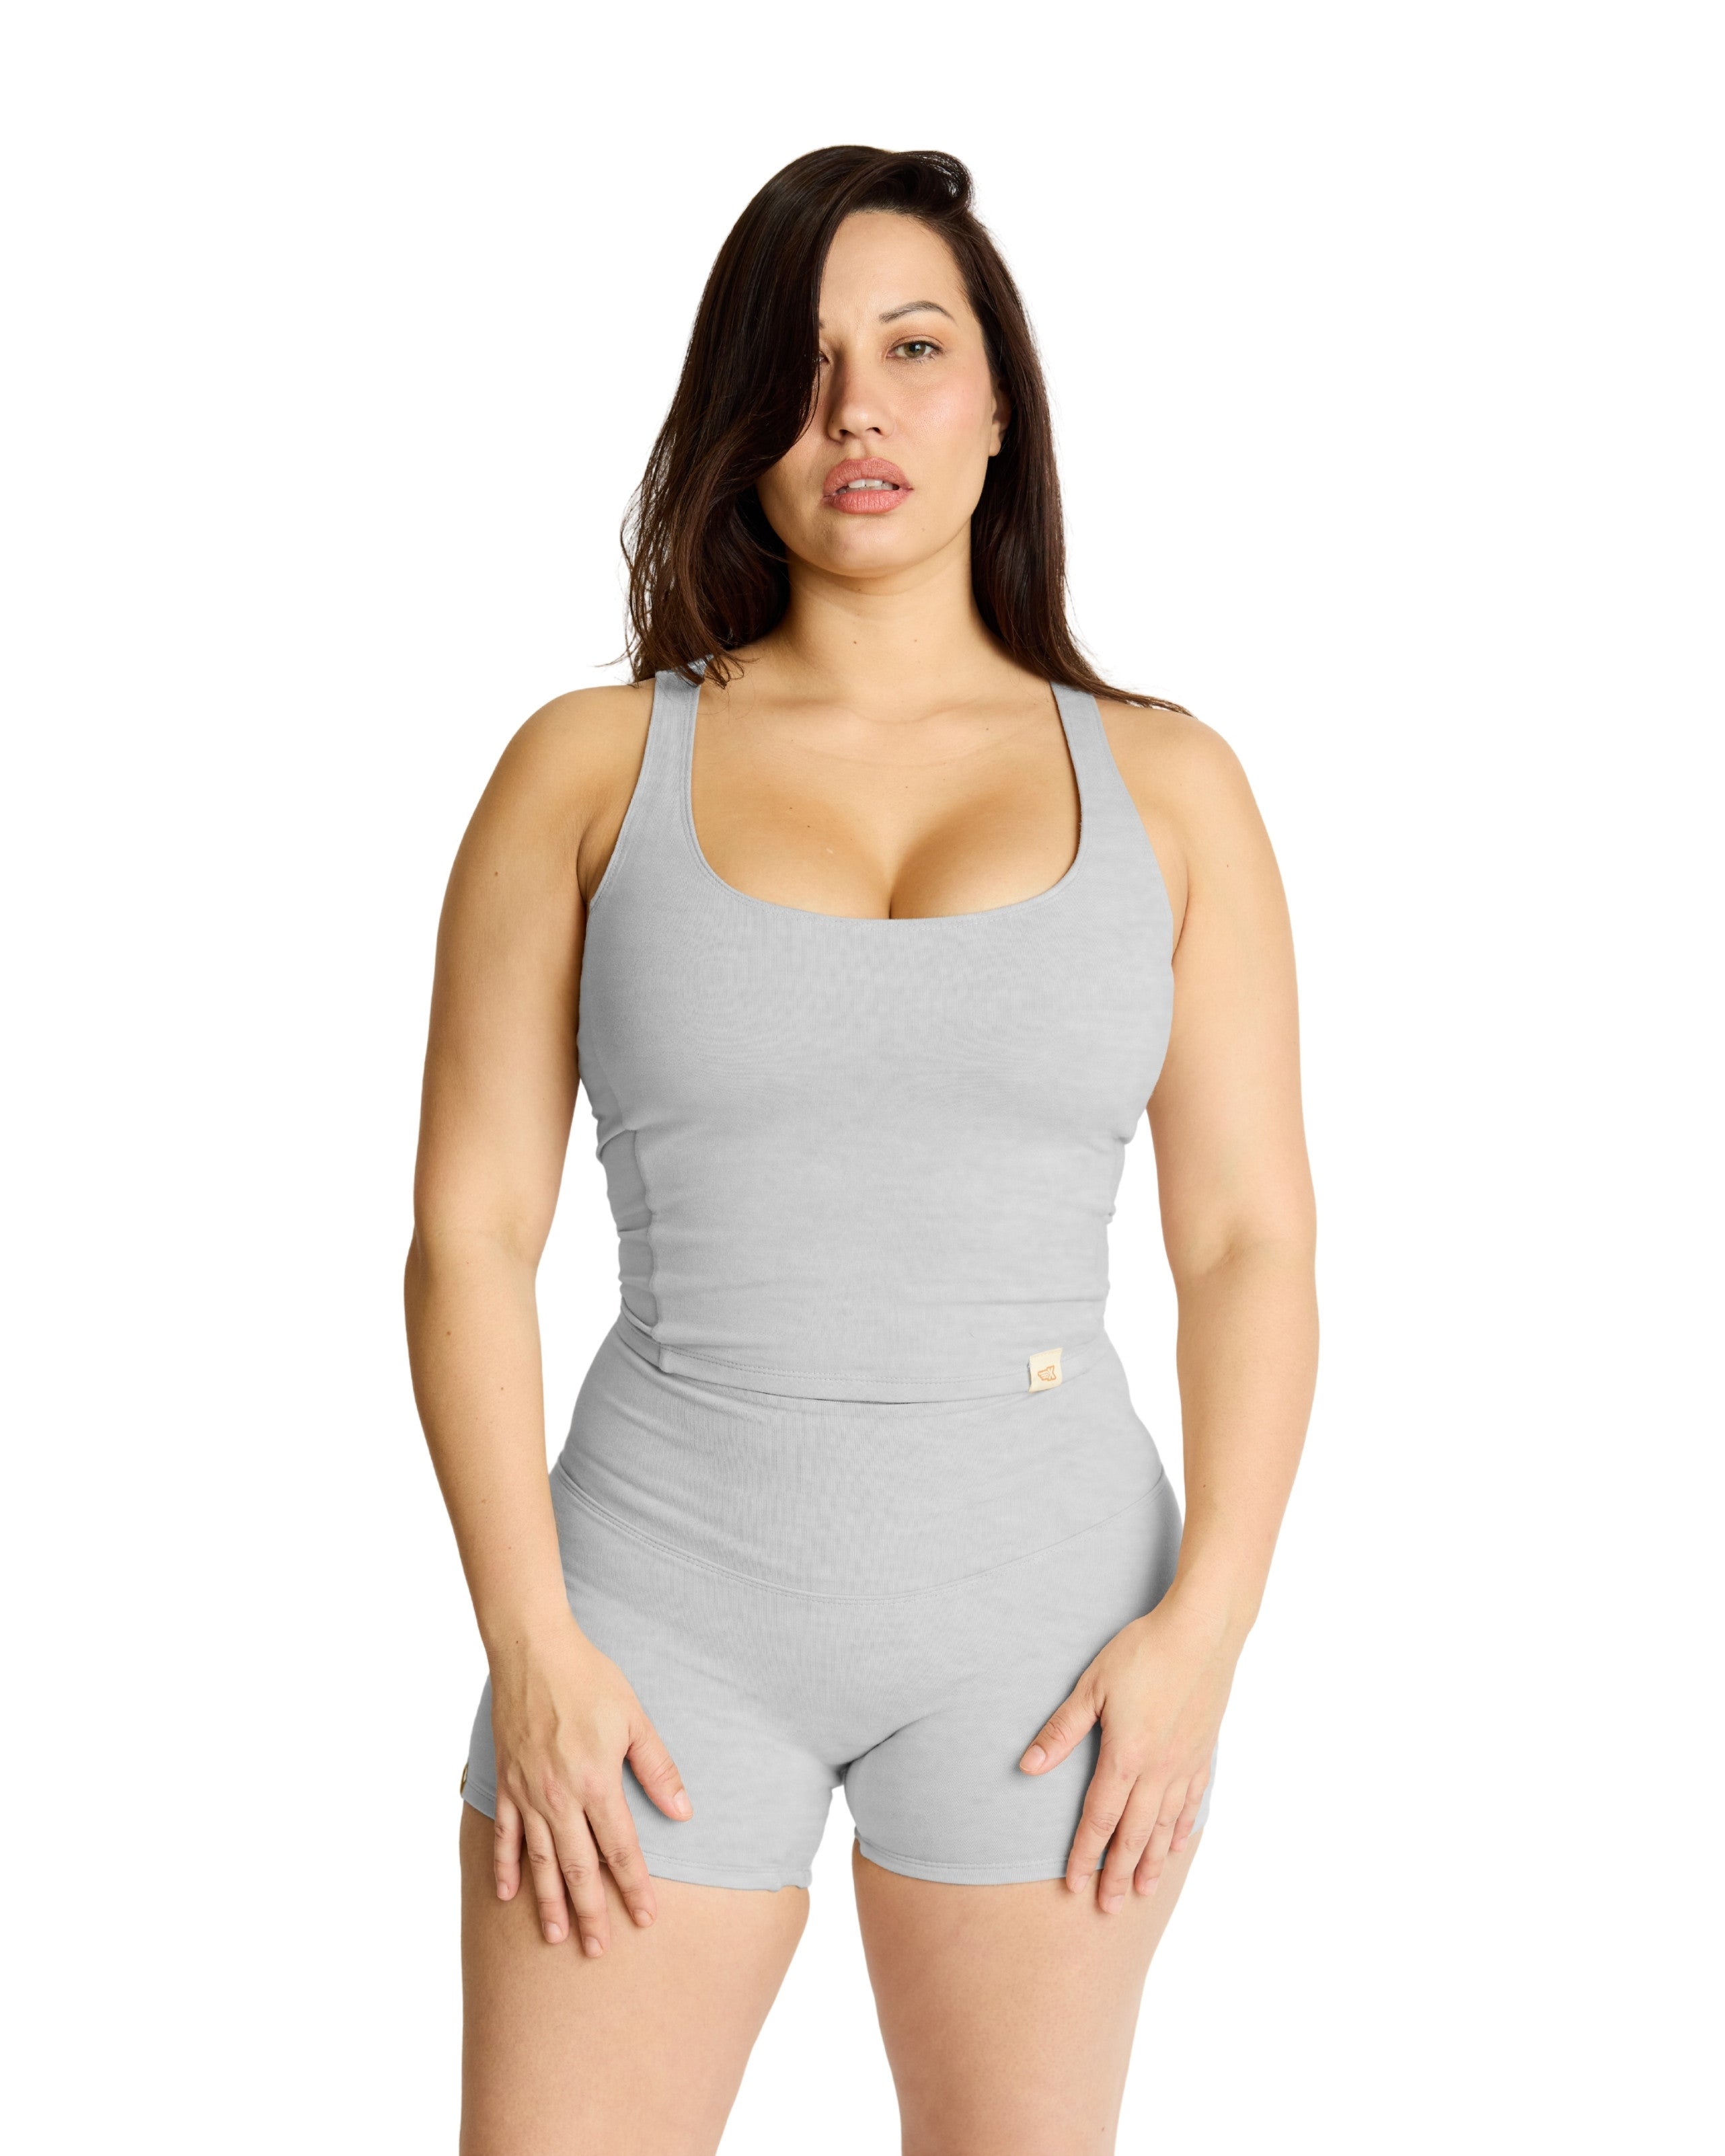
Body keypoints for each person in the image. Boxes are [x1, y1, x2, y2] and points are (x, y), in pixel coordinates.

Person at [405, 143, 1317, 2156]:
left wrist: (1208, 1632)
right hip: (651, 1597)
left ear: (1000, 407)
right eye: (801, 362)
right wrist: (529, 1643)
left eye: (914, 349)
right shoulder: (587, 764)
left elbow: (1247, 1240)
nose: (856, 411)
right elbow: (467, 1234)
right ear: (738, 418)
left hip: (1048, 1613)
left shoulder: (1172, 786)